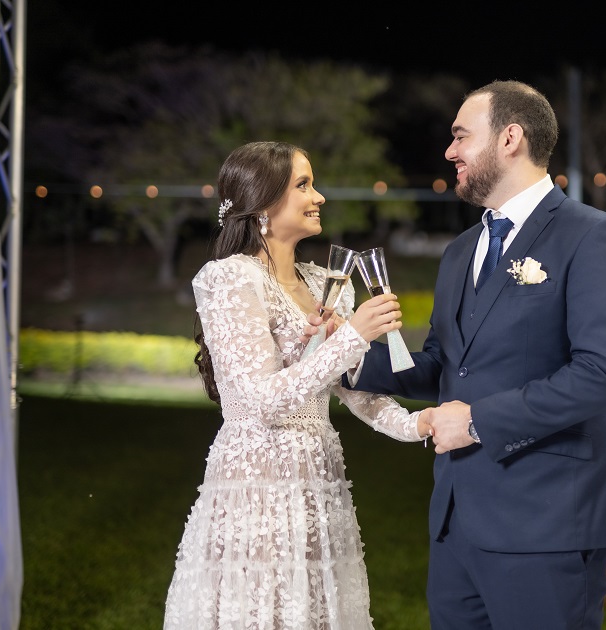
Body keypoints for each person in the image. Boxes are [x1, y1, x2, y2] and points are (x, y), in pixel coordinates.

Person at [341, 80, 606, 628]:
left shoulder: (593, 236)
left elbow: (605, 374)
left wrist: (479, 421)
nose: (450, 152)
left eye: (461, 136)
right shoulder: (460, 252)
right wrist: (348, 358)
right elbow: (442, 363)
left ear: (510, 138)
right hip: (457, 522)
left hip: (547, 522)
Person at [163, 141, 431, 629]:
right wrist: (349, 336)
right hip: (257, 480)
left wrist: (419, 424)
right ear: (263, 203)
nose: (319, 196)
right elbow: (256, 400)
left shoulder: (330, 282)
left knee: (314, 610)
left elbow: (356, 392)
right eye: (303, 185)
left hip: (317, 476)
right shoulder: (229, 279)